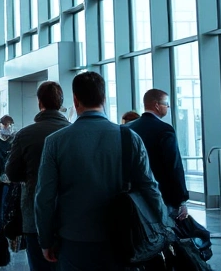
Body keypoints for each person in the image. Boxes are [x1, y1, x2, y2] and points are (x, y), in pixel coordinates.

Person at [36, 71, 167, 270]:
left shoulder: (55, 141)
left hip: (74, 240)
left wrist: (45, 241)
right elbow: (150, 187)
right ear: (104, 99)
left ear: (75, 100)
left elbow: (44, 197)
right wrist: (162, 226)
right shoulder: (129, 137)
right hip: (123, 238)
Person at [5, 81, 71, 271]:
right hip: (71, 216)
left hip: (34, 214)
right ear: (61, 103)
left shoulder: (25, 134)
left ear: (39, 102)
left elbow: (12, 173)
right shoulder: (72, 132)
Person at [126, 89, 190, 221]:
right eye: (166, 103)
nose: (168, 107)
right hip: (162, 195)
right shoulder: (164, 130)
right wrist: (181, 200)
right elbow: (174, 166)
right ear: (156, 105)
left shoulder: (128, 129)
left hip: (134, 194)